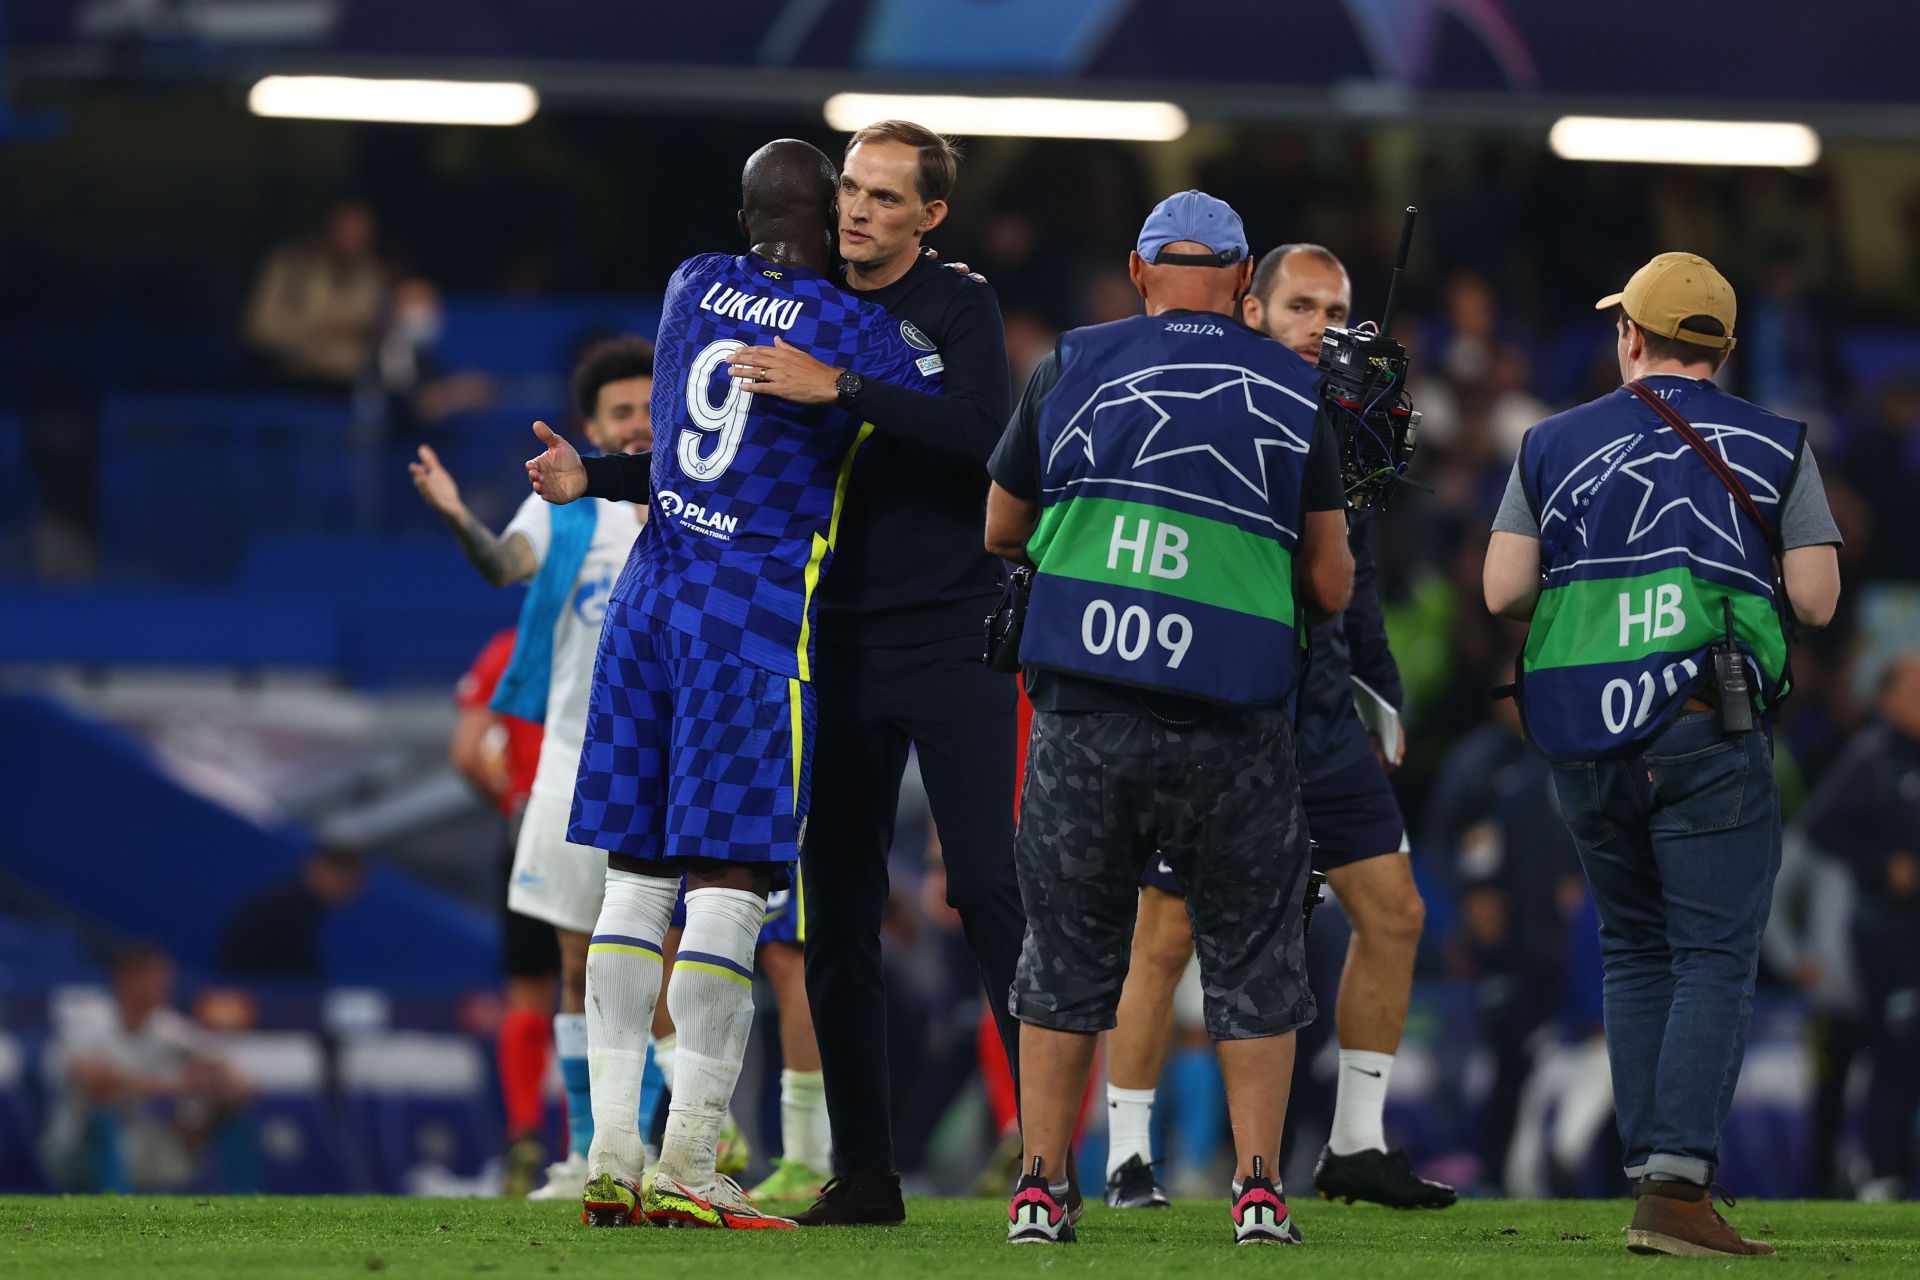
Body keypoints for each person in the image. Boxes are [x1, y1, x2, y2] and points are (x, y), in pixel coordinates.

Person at [522, 139, 940, 1231]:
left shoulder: (690, 283)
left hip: (644, 609)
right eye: (844, 196)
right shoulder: (853, 327)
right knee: (735, 880)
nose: (857, 210)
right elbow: (957, 408)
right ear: (825, 217)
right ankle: (694, 1156)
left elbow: (670, 455)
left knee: (634, 875)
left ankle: (612, 1149)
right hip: (748, 626)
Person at [983, 190, 1354, 1246]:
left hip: (1085, 709)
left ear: (1140, 273)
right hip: (1234, 725)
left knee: (1063, 955)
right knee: (1252, 957)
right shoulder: (1295, 385)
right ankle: (1256, 1190)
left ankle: (1043, 1187)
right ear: (1245, 284)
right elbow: (1328, 581)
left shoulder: (1070, 361)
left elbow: (1001, 525)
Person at [1483, 251, 1842, 1255]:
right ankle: (1678, 1191)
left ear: (1629, 337)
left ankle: (1653, 1177)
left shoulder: (1550, 441)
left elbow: (1501, 588)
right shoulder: (1778, 445)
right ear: (1722, 351)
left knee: (1635, 950)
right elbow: (1816, 600)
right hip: (1703, 726)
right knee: (1714, 957)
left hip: (1584, 737)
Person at [1101, 243, 1455, 1211]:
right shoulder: (1219, 409)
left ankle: (1354, 1143)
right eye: (1302, 306)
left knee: (1396, 913)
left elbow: (1360, 580)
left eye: (1337, 313)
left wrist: (1381, 692)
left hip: (1326, 716)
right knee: (1165, 932)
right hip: (1226, 709)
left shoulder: (1343, 423)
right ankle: (1129, 1154)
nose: (1321, 329)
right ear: (1252, 310)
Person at [718, 119, 1025, 1228]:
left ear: (930, 216)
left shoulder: (959, 307)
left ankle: (1042, 1158)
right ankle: (866, 1172)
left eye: (886, 197)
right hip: (832, 638)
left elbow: (987, 435)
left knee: (988, 888)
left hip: (952, 633)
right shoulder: (792, 299)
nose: (857, 210)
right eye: (851, 188)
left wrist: (838, 385)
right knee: (834, 909)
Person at [408, 337, 654, 1201]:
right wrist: (455, 515)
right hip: (567, 758)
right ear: (592, 426)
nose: (638, 425)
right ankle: (586, 1152)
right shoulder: (562, 507)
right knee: (575, 961)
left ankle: (660, 1148)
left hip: (663, 758)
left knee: (659, 967)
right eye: (621, 412)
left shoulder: (695, 503)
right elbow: (502, 565)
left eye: (649, 409)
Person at [1798, 652, 1920, 1201]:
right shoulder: (1872, 757)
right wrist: (1881, 865)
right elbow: (1819, 825)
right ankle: (1882, 1171)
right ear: (1887, 698)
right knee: (1895, 1050)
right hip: (1887, 931)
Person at [449, 628, 559, 1197]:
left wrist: (506, 797)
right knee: (606, 984)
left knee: (527, 991)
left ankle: (523, 1132)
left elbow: (466, 754)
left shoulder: (507, 649)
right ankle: (605, 1139)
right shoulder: (607, 623)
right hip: (597, 817)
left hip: (528, 825)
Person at [41, 945, 252, 1193]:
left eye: (164, 977)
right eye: (152, 977)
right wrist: (172, 1085)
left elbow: (237, 1079)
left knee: (228, 1114)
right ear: (125, 979)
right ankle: (116, 1212)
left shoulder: (166, 1026)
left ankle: (247, 1201)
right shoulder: (89, 1016)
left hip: (143, 1139)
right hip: (75, 1147)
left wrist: (215, 1086)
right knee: (102, 1122)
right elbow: (92, 1080)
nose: (162, 985)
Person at [244, 197, 387, 389]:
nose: (356, 236)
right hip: (288, 380)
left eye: (364, 229)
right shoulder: (292, 268)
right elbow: (261, 331)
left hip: (351, 385)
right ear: (328, 225)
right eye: (348, 226)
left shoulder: (372, 274)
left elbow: (376, 332)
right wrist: (323, 332)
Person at [213, 845, 365, 979]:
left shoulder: (298, 905)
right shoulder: (285, 907)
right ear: (320, 869)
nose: (350, 892)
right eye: (346, 882)